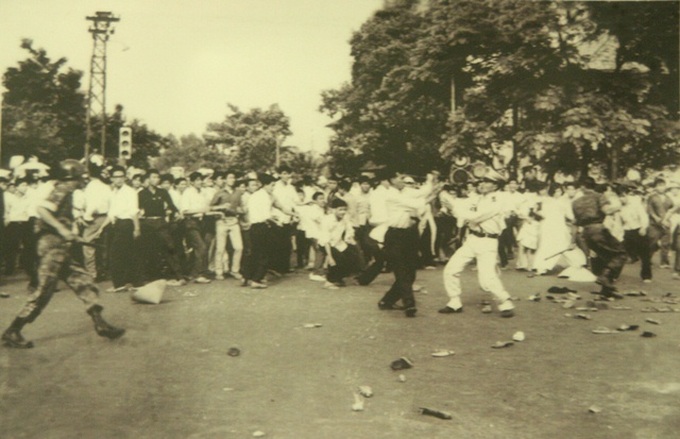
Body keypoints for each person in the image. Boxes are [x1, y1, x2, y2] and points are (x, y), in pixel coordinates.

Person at [2, 160, 125, 349]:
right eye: (81, 176)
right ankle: (13, 330)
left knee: (84, 281)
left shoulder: (68, 190)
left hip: (60, 245)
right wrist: (62, 229)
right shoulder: (63, 188)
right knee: (43, 291)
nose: (84, 179)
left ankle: (100, 324)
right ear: (72, 176)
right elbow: (42, 210)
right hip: (52, 245)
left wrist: (69, 232)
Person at [439, 171, 516, 318]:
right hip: (472, 239)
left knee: (487, 278)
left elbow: (476, 216)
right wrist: (449, 201)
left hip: (488, 241)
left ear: (495, 185)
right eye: (482, 181)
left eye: (487, 181)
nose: (482, 184)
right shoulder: (479, 198)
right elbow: (461, 206)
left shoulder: (497, 200)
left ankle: (505, 302)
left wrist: (455, 207)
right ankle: (454, 302)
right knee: (451, 269)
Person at [377, 171, 441, 317]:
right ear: (392, 180)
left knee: (410, 272)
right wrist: (432, 196)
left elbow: (422, 192)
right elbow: (415, 203)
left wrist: (431, 180)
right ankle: (409, 303)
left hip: (408, 235)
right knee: (401, 270)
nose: (404, 181)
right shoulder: (391, 195)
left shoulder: (405, 191)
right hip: (394, 235)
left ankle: (387, 300)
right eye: (400, 178)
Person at [572, 177, 627, 298]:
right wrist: (620, 205)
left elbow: (575, 223)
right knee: (621, 254)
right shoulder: (599, 196)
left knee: (606, 258)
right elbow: (607, 211)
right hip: (598, 230)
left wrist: (572, 241)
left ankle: (606, 290)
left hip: (586, 234)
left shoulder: (575, 202)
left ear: (582, 187)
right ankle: (605, 277)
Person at [94, 166, 141, 292]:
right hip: (117, 225)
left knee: (117, 254)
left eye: (121, 177)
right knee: (123, 253)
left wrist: (136, 228)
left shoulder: (130, 191)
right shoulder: (113, 193)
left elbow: (133, 211)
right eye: (115, 177)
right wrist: (101, 228)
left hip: (127, 223)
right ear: (111, 178)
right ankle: (129, 283)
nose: (118, 179)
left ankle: (121, 284)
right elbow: (111, 213)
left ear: (125, 178)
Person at [138, 169, 185, 286]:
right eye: (153, 177)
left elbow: (171, 205)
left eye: (158, 177)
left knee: (169, 247)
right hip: (147, 223)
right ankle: (147, 278)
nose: (156, 180)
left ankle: (179, 276)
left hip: (161, 222)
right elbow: (137, 208)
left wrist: (177, 213)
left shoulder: (162, 192)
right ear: (148, 179)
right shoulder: (141, 194)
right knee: (147, 249)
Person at [319, 198, 361, 289]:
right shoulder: (327, 220)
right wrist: (329, 257)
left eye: (344, 209)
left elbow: (349, 230)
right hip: (326, 244)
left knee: (352, 256)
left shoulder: (345, 218)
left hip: (338, 243)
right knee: (338, 259)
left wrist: (350, 239)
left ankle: (338, 278)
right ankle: (329, 282)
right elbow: (326, 240)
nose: (343, 212)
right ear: (333, 210)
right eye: (340, 209)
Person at [210, 170, 244, 280]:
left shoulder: (238, 193)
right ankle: (219, 271)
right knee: (220, 248)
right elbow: (211, 208)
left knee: (239, 247)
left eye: (233, 178)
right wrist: (221, 207)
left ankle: (235, 270)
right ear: (225, 180)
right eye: (230, 178)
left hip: (234, 221)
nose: (232, 180)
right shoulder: (219, 193)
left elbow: (241, 207)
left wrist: (241, 210)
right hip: (222, 221)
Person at [180, 172, 212, 284]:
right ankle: (198, 274)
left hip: (201, 222)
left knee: (199, 248)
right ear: (192, 182)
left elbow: (207, 207)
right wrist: (201, 210)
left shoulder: (202, 193)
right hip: (190, 222)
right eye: (197, 180)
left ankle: (192, 272)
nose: (200, 182)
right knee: (201, 246)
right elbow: (185, 211)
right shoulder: (187, 193)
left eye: (201, 180)